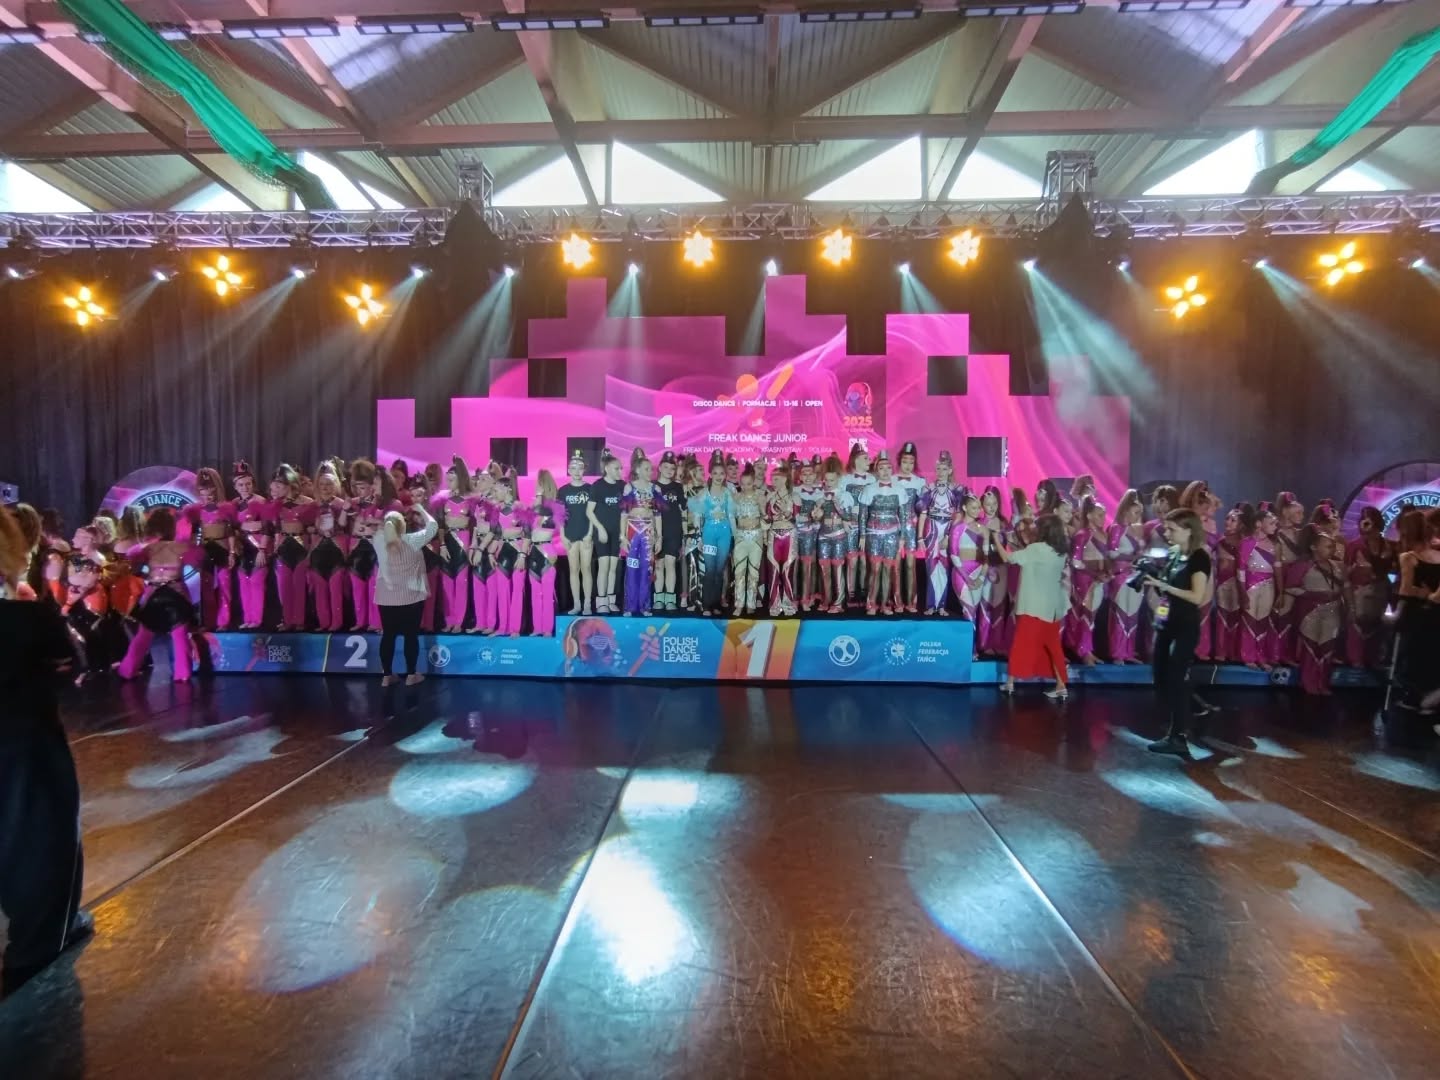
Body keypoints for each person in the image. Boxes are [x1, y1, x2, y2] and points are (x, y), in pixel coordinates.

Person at [0, 505, 91, 996]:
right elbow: (72, 662)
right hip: (21, 748)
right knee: (41, 834)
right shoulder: (26, 617)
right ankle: (37, 947)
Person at [1144, 508, 1213, 760]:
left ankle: (1179, 735)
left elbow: (1196, 596)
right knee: (1161, 677)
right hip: (1167, 624)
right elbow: (1167, 589)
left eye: (1171, 529)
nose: (1166, 533)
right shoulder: (1174, 554)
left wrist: (1165, 586)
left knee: (1175, 678)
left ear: (1188, 530)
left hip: (1184, 626)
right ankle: (1184, 717)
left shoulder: (1199, 557)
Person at [998, 512, 1069, 699]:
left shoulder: (1036, 549)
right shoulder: (1060, 551)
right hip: (1052, 607)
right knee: (1053, 646)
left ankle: (1010, 683)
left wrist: (994, 539)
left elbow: (1007, 558)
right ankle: (1061, 685)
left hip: (1033, 606)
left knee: (1021, 643)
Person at [373, 502, 437, 687]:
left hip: (387, 598)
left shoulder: (378, 541)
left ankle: (387, 676)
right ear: (403, 526)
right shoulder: (413, 540)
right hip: (411, 596)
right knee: (410, 636)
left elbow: (381, 530)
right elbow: (433, 526)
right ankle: (411, 675)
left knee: (388, 635)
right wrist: (421, 509)